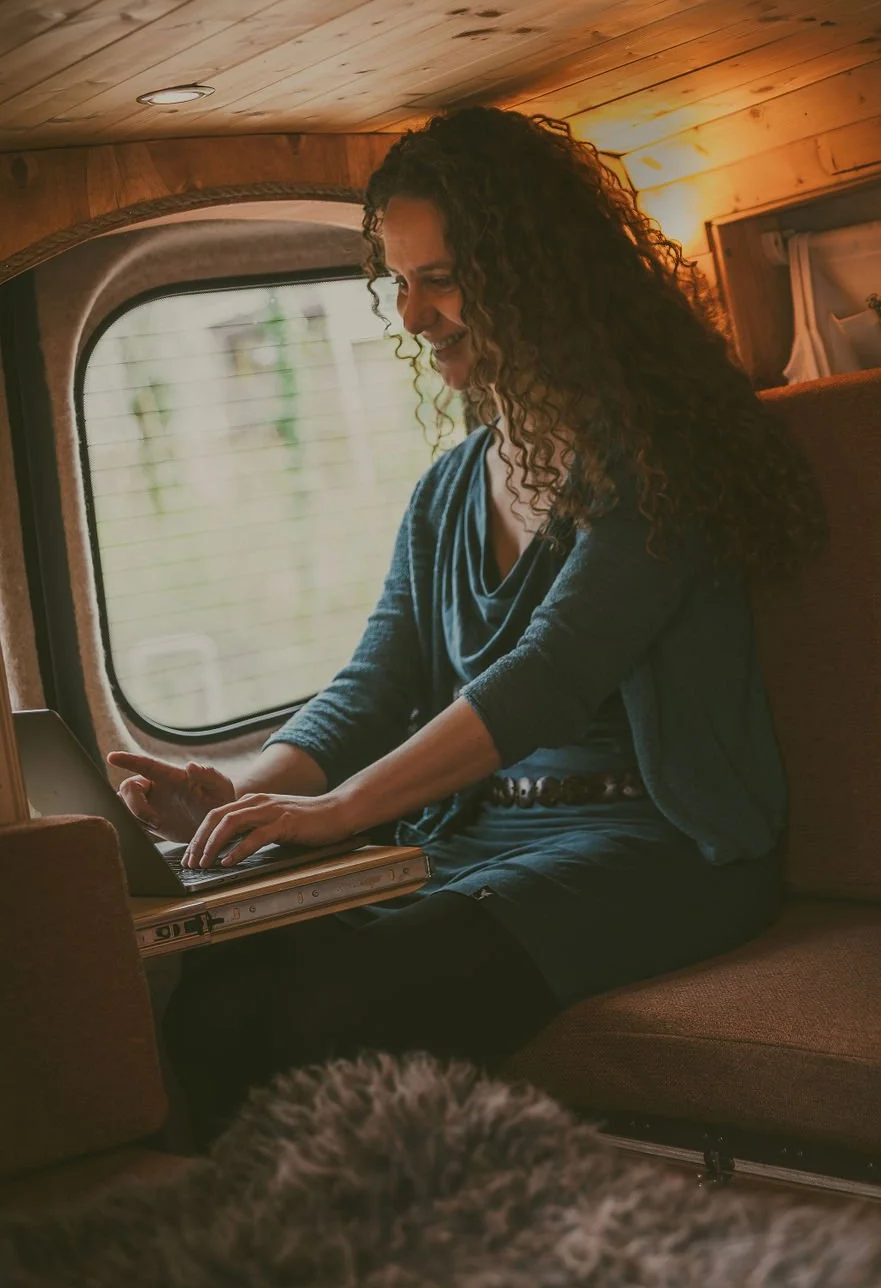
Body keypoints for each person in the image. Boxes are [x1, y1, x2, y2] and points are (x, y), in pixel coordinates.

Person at [111, 106, 826, 1148]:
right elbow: (372, 684)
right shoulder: (446, 490)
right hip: (482, 834)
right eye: (397, 281)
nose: (411, 313)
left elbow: (550, 676)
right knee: (218, 988)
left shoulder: (657, 456)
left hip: (652, 846)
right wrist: (239, 796)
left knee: (333, 1011)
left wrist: (345, 811)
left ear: (535, 272)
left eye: (439, 278)